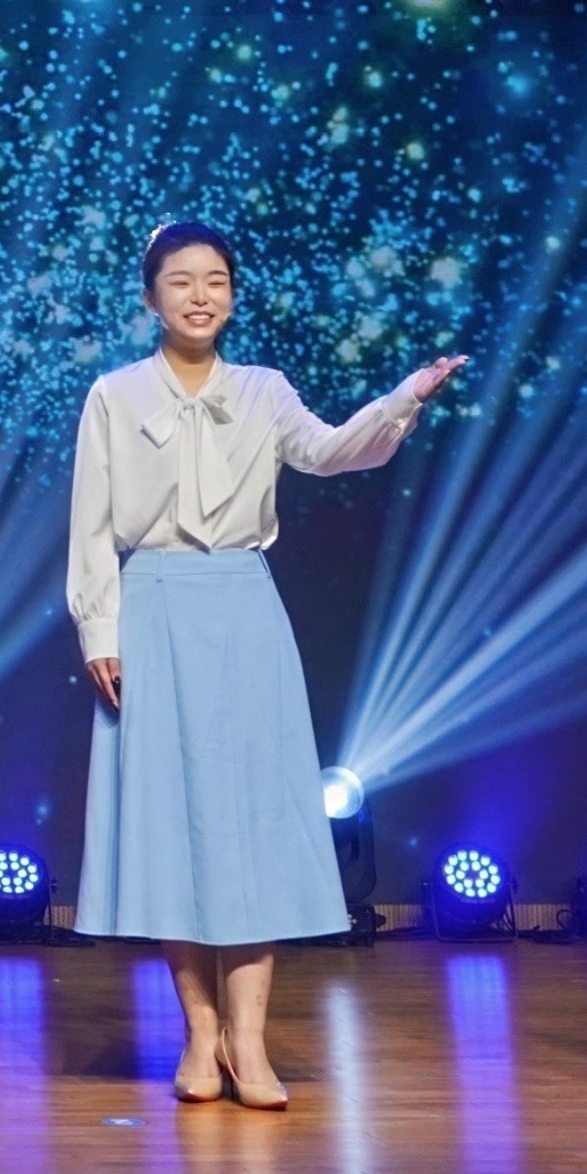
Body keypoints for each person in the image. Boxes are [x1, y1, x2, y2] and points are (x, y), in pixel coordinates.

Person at [68, 223, 462, 1108]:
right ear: (150, 296)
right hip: (152, 603)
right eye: (180, 280)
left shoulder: (263, 388)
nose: (199, 295)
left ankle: (247, 1039)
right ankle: (197, 1032)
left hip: (243, 604)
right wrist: (100, 630)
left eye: (215, 280)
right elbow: (90, 521)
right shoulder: (114, 394)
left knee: (247, 819)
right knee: (169, 822)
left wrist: (403, 398)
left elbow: (328, 450)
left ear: (233, 295)